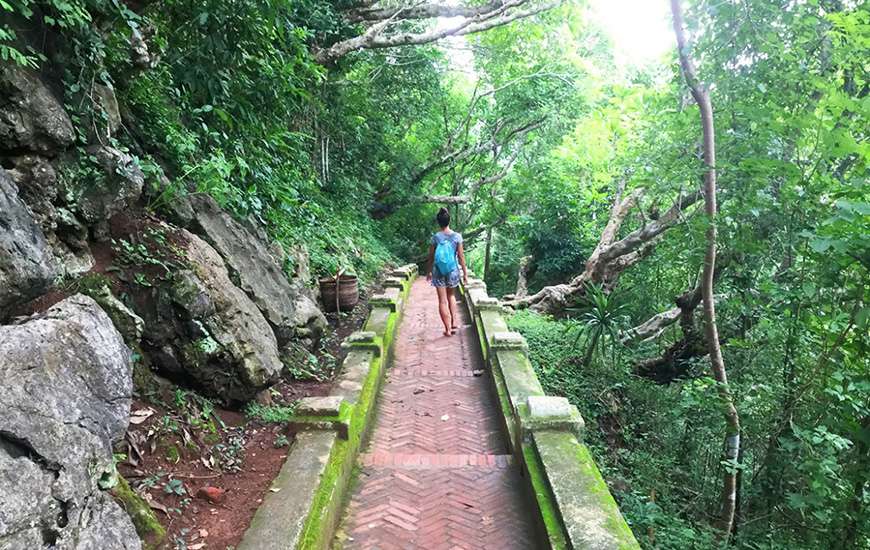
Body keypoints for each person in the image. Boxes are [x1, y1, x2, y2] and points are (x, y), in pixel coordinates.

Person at [426, 207, 468, 336]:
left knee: (442, 301)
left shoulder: (436, 237)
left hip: (439, 271)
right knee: (451, 296)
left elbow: (431, 257)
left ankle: (448, 329)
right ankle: (454, 322)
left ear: (438, 222)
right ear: (449, 221)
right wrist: (465, 273)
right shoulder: (457, 237)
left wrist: (429, 271)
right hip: (453, 270)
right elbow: (461, 256)